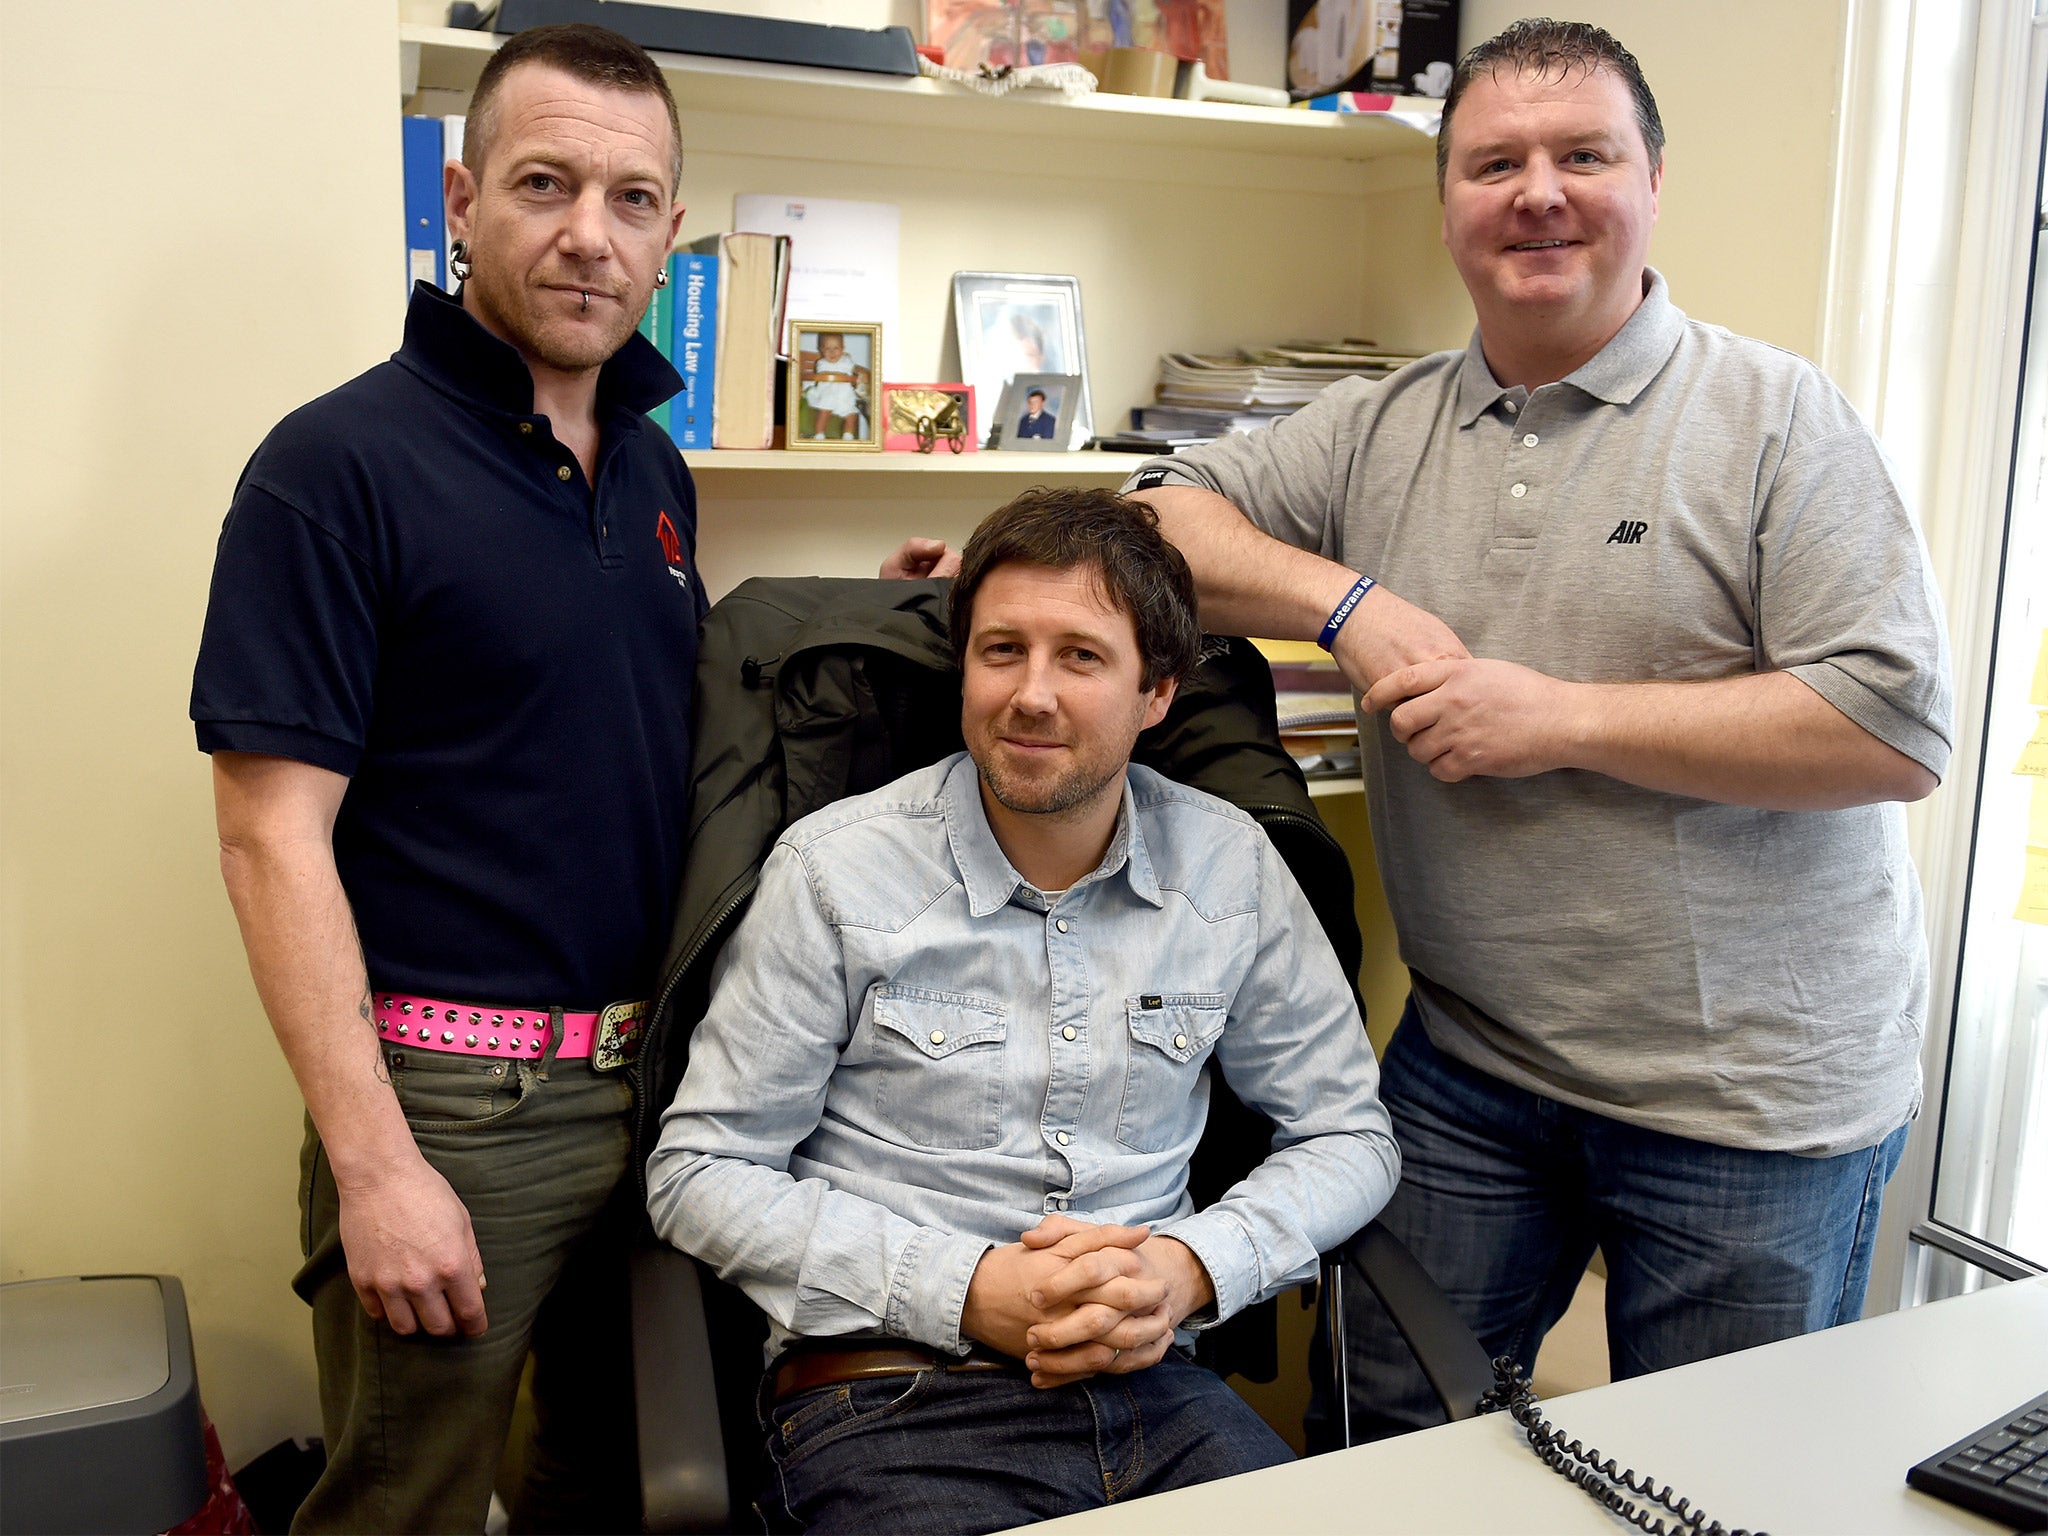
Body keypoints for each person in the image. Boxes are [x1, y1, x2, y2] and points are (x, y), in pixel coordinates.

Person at [1124, 18, 1954, 1443]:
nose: (1540, 193)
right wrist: (1351, 606)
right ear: (1447, 197)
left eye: (1585, 155)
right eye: (1495, 162)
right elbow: (1152, 523)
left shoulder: (1777, 420)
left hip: (1749, 1109)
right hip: (1470, 1068)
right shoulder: (1382, 426)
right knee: (1380, 1445)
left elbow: (1890, 726)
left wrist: (1558, 718)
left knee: (1715, 1482)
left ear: (1653, 180)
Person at [192, 23, 937, 1529]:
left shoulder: (650, 464)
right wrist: (377, 1165)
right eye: (544, 184)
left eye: (634, 197)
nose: (589, 235)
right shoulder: (332, 471)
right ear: (462, 200)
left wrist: (886, 609)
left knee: (615, 1485)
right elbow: (272, 841)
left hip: (666, 1087)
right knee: (403, 1507)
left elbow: (631, 705)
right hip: (453, 1106)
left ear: (675, 225)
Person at [647, 487, 1399, 1532]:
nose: (1030, 695)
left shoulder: (1230, 869)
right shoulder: (835, 872)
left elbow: (1347, 1136)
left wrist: (1189, 1270)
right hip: (890, 1396)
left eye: (1080, 658)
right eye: (1001, 651)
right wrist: (963, 1287)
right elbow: (699, 1173)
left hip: (1156, 1391)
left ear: (1155, 694)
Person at [802, 331, 867, 440]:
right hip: (828, 393)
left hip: (844, 396)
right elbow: (823, 374)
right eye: (827, 349)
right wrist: (842, 376)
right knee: (824, 412)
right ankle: (819, 434)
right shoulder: (822, 363)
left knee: (852, 415)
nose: (832, 352)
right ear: (822, 350)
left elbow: (854, 368)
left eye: (836, 348)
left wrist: (861, 372)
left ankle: (848, 435)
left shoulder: (847, 361)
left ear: (842, 349)